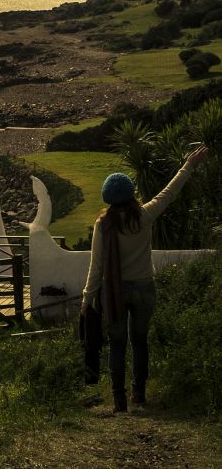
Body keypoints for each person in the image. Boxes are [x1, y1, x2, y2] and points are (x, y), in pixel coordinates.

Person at [81, 145, 209, 413]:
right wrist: (188, 164)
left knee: (117, 345)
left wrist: (87, 298)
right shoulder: (146, 215)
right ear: (131, 194)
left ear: (108, 198)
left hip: (114, 293)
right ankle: (139, 393)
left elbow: (97, 266)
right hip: (144, 289)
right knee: (140, 342)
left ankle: (119, 400)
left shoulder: (103, 224)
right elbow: (170, 192)